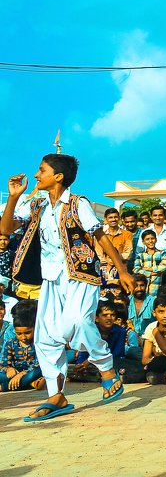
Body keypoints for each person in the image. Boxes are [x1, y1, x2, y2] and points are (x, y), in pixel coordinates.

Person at [2, 155, 136, 422]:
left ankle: (107, 370)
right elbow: (5, 228)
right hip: (50, 278)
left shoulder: (78, 204)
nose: (36, 175)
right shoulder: (36, 204)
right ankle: (57, 395)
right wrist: (14, 197)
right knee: (46, 337)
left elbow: (100, 236)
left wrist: (121, 270)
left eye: (42, 170)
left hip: (81, 275)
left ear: (58, 176)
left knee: (76, 322)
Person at [1, 300, 44, 391]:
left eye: (27, 333)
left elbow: (39, 363)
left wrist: (22, 374)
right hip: (14, 371)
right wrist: (8, 369)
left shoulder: (38, 342)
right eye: (19, 334)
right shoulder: (11, 342)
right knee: (3, 376)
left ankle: (3, 387)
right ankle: (32, 383)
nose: (23, 337)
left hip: (31, 371)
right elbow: (4, 362)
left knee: (38, 371)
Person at [134, 230, 166, 298]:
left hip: (157, 289)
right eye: (147, 239)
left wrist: (147, 269)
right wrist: (151, 273)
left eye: (152, 238)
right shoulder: (140, 255)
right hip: (143, 291)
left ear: (156, 240)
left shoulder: (162, 253)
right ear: (143, 242)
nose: (150, 241)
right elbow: (136, 270)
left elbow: (164, 267)